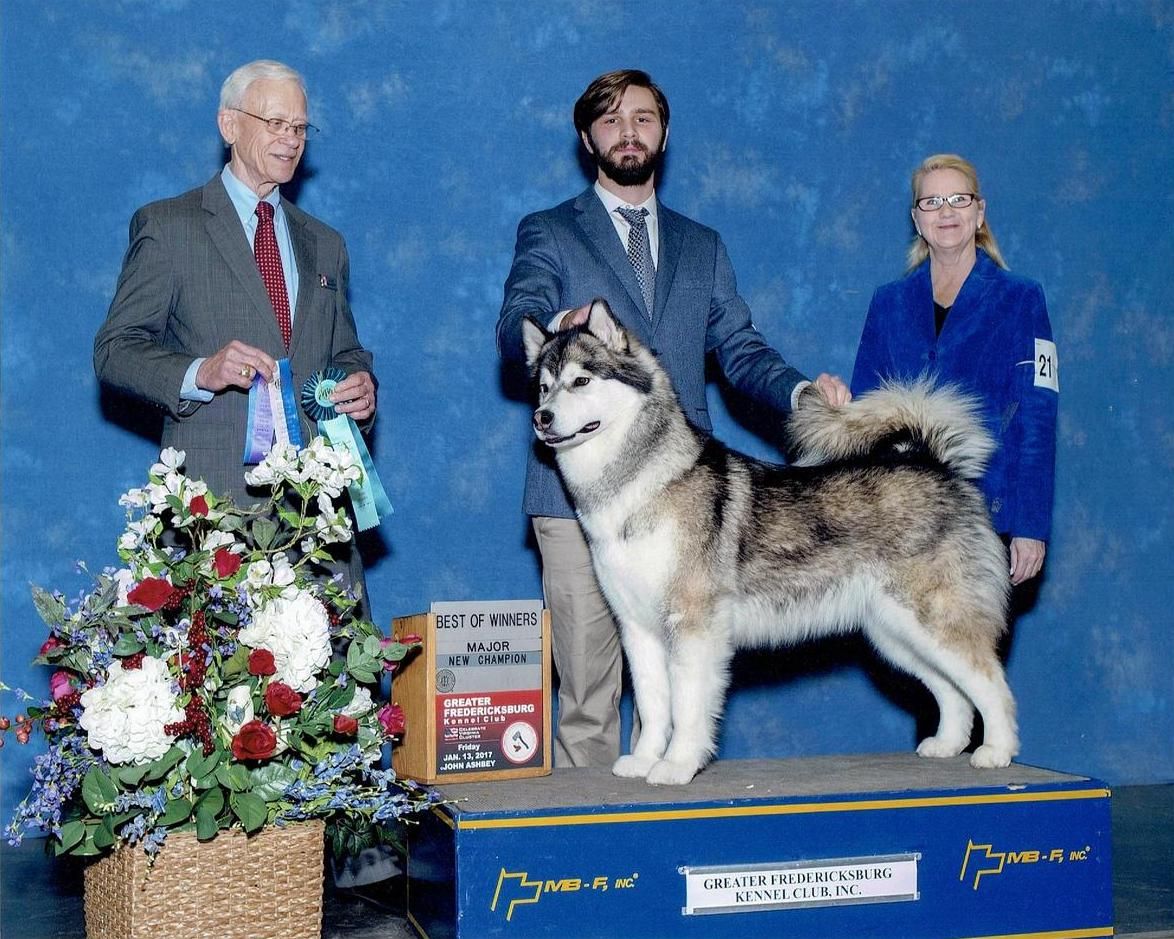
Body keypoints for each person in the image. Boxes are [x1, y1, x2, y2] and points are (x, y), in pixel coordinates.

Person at [497, 68, 849, 767]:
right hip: (575, 496)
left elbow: (741, 349)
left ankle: (659, 814)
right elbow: (516, 322)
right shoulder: (551, 230)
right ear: (587, 138)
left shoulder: (701, 243)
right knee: (589, 693)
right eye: (611, 120)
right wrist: (556, 324)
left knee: (680, 657)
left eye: (643, 118)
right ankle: (589, 832)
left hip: (684, 489)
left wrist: (801, 392)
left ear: (663, 132)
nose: (628, 132)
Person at [94, 59, 377, 508]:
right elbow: (115, 351)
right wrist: (200, 372)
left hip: (314, 507)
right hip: (212, 505)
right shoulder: (168, 227)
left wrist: (359, 385)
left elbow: (344, 351)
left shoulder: (327, 244)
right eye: (276, 123)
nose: (292, 139)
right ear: (229, 126)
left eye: (300, 128)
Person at [851, 153, 1058, 586]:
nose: (945, 211)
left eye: (958, 199)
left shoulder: (1022, 299)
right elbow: (865, 418)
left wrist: (1030, 525)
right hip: (900, 521)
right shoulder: (887, 303)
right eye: (931, 202)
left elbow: (1038, 418)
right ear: (916, 219)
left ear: (979, 213)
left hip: (987, 520)